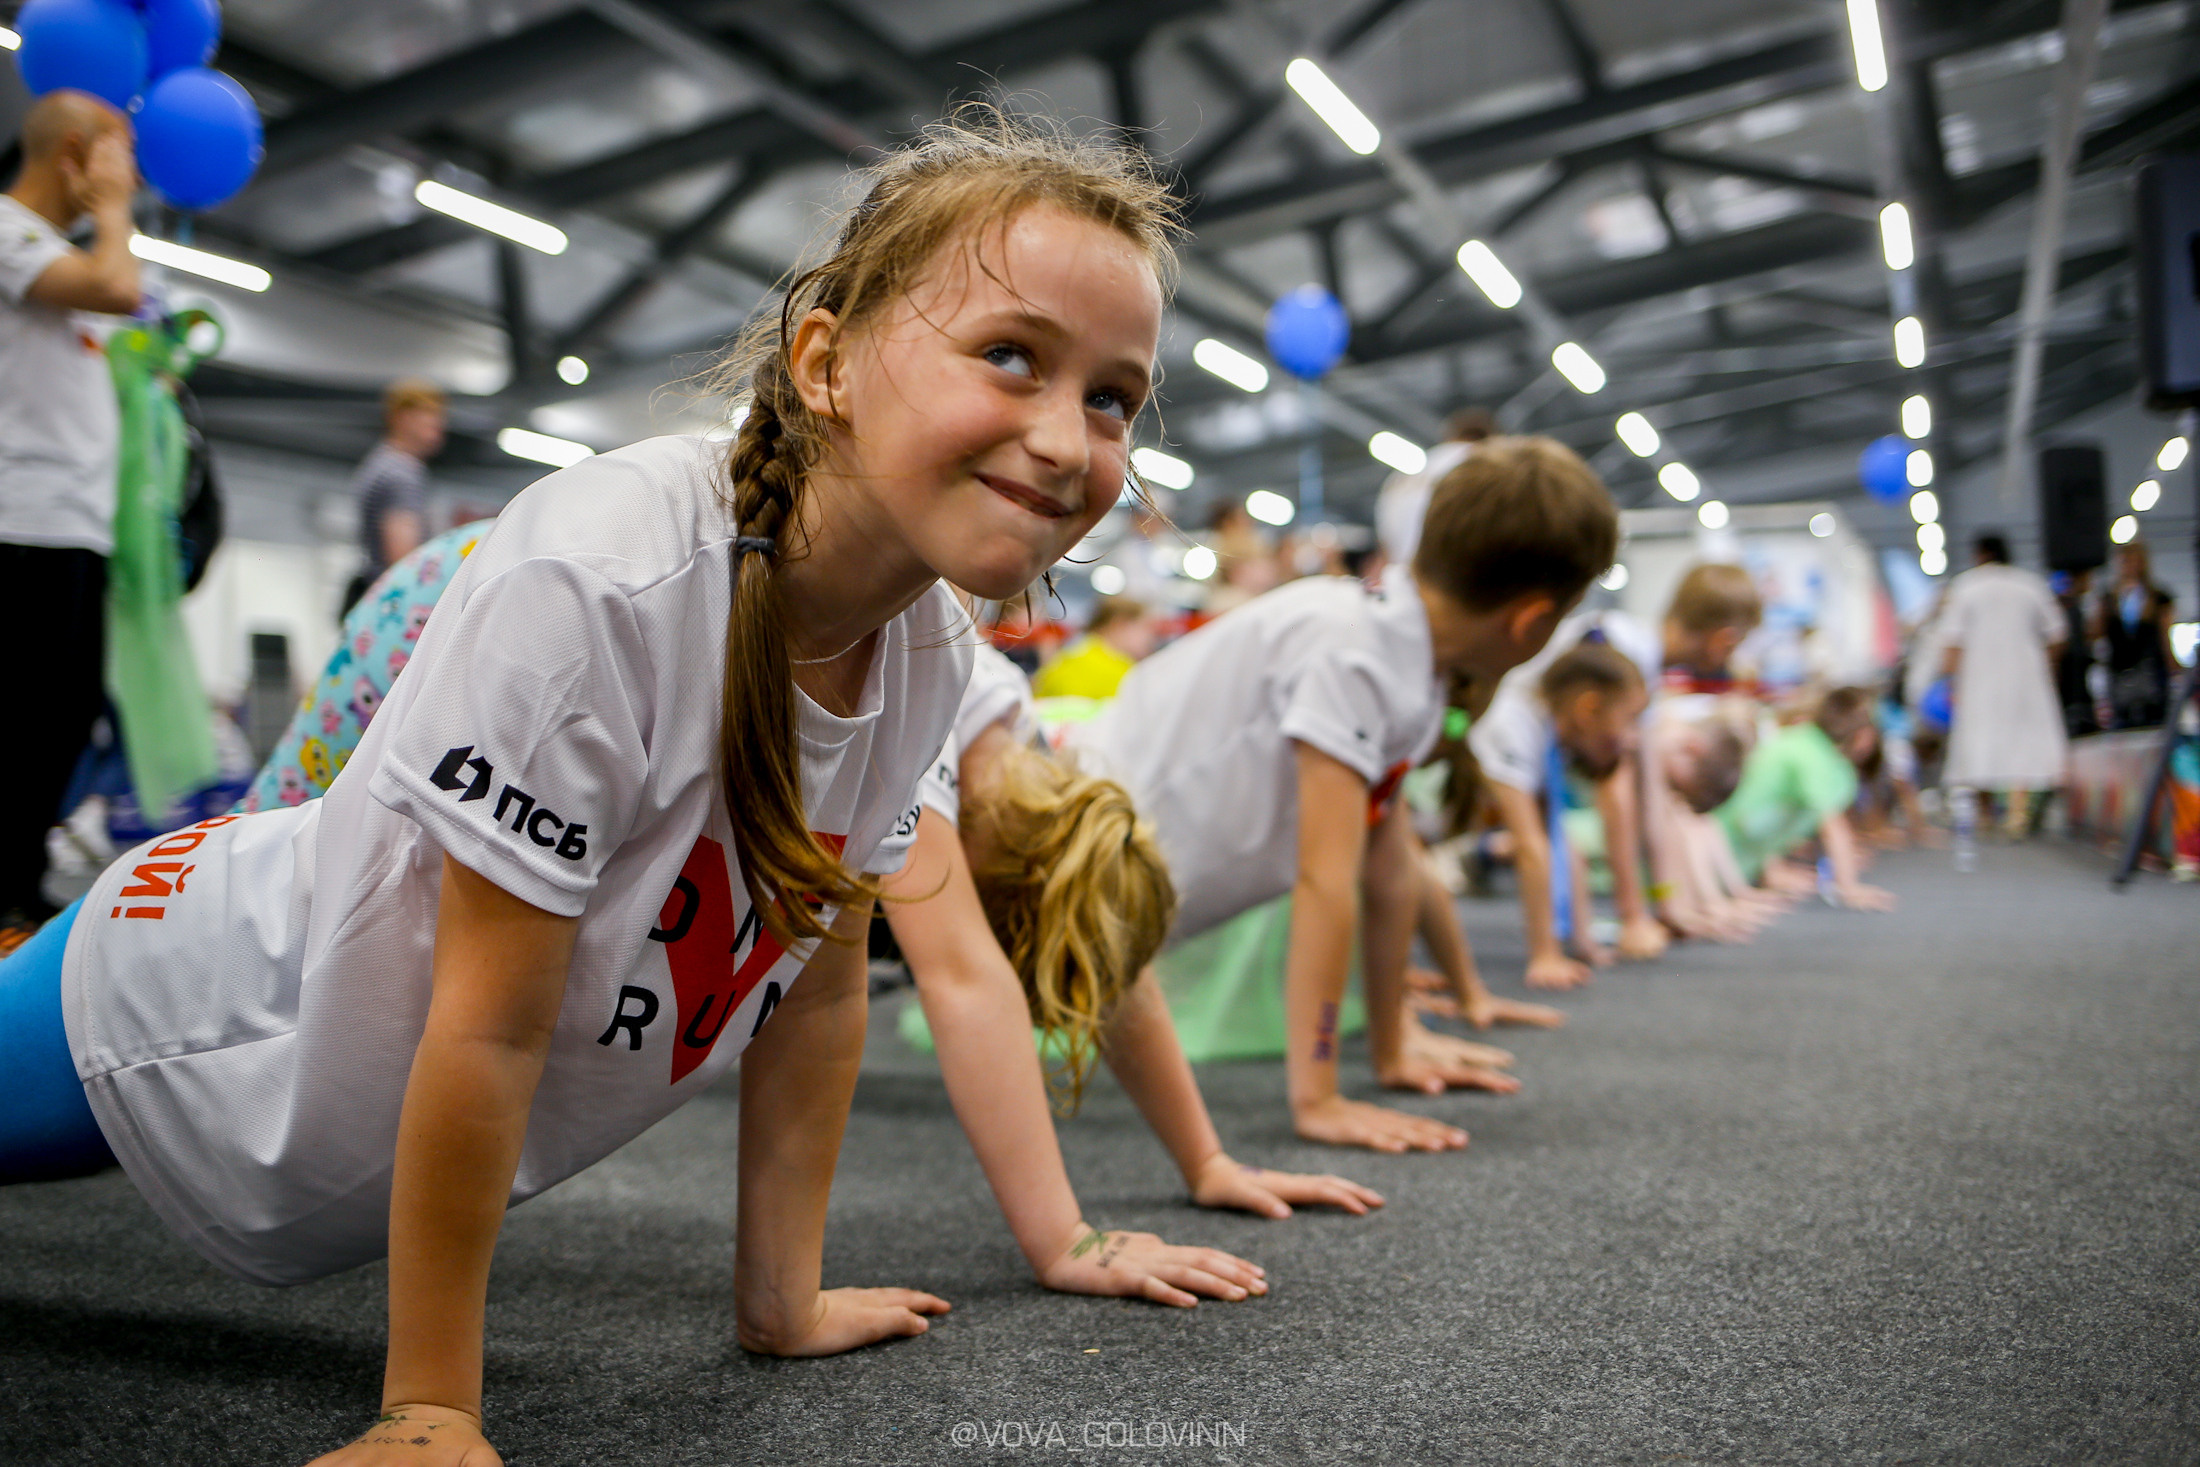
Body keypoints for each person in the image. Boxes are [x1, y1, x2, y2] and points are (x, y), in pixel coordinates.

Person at [0, 111, 1183, 1465]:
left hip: (290, 1072)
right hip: (185, 1008)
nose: (1066, 438)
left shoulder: (926, 648)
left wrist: (780, 1302)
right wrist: (431, 1402)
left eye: (1113, 397)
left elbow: (822, 985)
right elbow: (489, 1022)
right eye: (1011, 356)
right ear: (826, 361)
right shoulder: (607, 575)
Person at [1066, 436, 1620, 1153]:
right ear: (1532, 622)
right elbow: (1325, 882)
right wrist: (1319, 1096)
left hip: (1108, 866)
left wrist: (1394, 1045)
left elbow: (1390, 870)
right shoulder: (1357, 650)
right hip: (1057, 841)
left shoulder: (1412, 669)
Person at [887, 643, 1384, 1306]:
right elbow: (965, 979)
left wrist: (1207, 1160)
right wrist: (1065, 1238)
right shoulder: (917, 740)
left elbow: (1109, 958)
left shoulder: (1005, 723)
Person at [0, 91, 140, 950]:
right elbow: (116, 284)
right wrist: (116, 211)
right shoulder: (7, 230)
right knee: (20, 717)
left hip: (76, 526)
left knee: (63, 714)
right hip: (21, 522)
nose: (129, 175)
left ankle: (15, 890)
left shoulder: (53, 249)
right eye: (118, 155)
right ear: (76, 154)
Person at [1470, 642, 1651, 990]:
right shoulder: (1512, 722)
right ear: (1588, 709)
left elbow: (1560, 841)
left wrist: (1582, 943)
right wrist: (1545, 955)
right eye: (1629, 719)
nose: (1631, 739)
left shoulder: (1545, 729)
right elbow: (1530, 845)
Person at [1715, 687, 1895, 910]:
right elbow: (1831, 826)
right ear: (1864, 735)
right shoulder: (1812, 754)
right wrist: (1849, 888)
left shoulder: (1807, 743)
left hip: (1730, 865)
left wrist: (1773, 874)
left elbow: (1767, 810)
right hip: (1713, 865)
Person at [1941, 533, 2066, 837]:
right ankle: (2016, 814)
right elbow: (2058, 632)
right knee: (2022, 741)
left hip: (1978, 677)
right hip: (2025, 675)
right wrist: (2047, 667)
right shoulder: (2030, 584)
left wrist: (1951, 680)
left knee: (1979, 742)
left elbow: (1952, 640)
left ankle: (1985, 815)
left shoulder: (1966, 586)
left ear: (1980, 553)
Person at [342, 378, 448, 615]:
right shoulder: (401, 474)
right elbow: (404, 560)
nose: (439, 428)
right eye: (430, 418)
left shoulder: (379, 463)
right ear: (403, 418)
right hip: (394, 604)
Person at [1373, 406, 1494, 568]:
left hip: (1406, 574)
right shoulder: (1485, 461)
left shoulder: (1403, 475)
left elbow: (1385, 543)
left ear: (1449, 437)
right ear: (1491, 438)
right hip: (1461, 573)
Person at [2098, 539, 2177, 730]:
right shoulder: (2109, 598)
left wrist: (2173, 666)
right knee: (2122, 723)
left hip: (2151, 669)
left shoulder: (2158, 597)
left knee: (2155, 723)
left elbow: (2165, 635)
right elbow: (2098, 633)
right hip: (2120, 671)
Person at [1033, 594, 1156, 699]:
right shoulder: (1120, 671)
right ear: (1120, 625)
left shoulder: (1068, 657)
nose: (1151, 638)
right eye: (1145, 628)